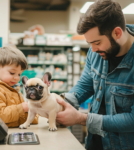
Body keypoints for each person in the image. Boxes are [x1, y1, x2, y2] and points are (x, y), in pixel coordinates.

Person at [56, 0, 134, 150]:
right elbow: (86, 83)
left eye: (97, 42)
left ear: (117, 33)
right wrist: (61, 101)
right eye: (89, 43)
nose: (92, 49)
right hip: (94, 142)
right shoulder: (96, 51)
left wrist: (82, 119)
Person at [0, 46, 38, 127]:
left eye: (19, 74)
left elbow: (28, 118)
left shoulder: (12, 89)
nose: (16, 78)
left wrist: (32, 112)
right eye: (12, 73)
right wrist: (22, 108)